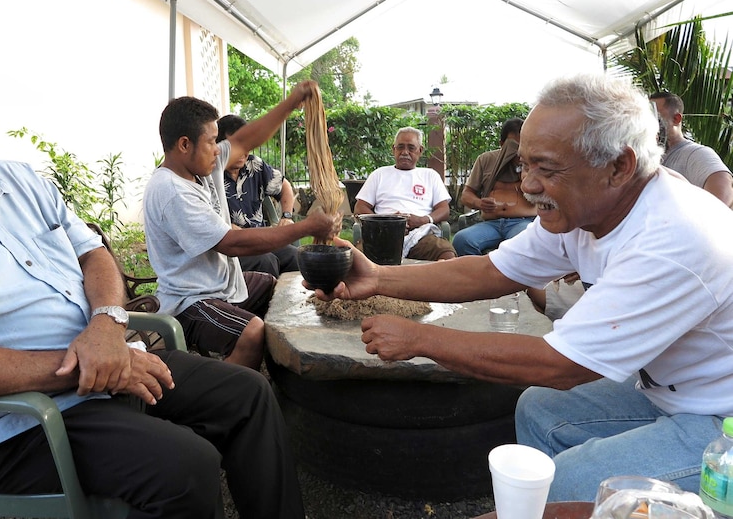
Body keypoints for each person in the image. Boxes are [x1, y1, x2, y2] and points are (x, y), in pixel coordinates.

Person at [0, 41, 306, 518]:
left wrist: (106, 324)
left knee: (248, 394)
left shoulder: (20, 180)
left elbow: (93, 252)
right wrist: (90, 365)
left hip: (108, 365)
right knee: (185, 465)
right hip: (15, 424)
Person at [311, 73, 733, 502]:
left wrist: (422, 339)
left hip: (723, 420)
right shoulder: (586, 208)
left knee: (568, 481)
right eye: (524, 165)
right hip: (666, 392)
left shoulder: (670, 238)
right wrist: (378, 278)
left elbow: (561, 365)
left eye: (546, 168)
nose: (528, 186)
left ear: (619, 166)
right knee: (540, 407)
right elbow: (491, 271)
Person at [143, 87, 340, 370]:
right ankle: (228, 392)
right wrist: (306, 226)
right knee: (252, 332)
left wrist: (293, 101)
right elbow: (232, 243)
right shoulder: (172, 191)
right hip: (190, 301)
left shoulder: (203, 165)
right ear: (184, 144)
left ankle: (266, 371)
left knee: (275, 289)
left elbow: (246, 138)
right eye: (212, 141)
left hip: (223, 285)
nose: (218, 148)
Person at [353, 126, 456, 261]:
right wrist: (386, 222)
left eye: (411, 148)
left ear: (420, 150)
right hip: (382, 234)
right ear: (393, 149)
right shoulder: (380, 174)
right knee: (355, 259)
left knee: (447, 254)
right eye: (400, 147)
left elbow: (444, 209)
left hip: (420, 234)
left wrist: (421, 220)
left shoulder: (430, 175)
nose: (405, 152)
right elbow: (360, 208)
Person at [217, 114, 299, 278]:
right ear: (221, 147)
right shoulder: (212, 173)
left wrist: (287, 216)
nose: (244, 151)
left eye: (247, 143)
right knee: (266, 261)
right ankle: (267, 304)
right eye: (237, 145)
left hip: (260, 240)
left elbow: (285, 186)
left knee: (296, 257)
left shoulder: (255, 165)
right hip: (231, 247)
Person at [452, 118, 537, 256]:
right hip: (492, 223)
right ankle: (478, 276)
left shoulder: (534, 162)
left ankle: (511, 277)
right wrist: (478, 203)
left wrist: (524, 168)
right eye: (513, 146)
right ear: (502, 144)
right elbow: (466, 195)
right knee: (462, 240)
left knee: (519, 241)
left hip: (523, 222)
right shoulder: (486, 160)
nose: (517, 150)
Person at [649, 91, 733, 207]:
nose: (649, 123)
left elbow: (724, 188)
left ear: (676, 119)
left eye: (656, 117)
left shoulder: (695, 153)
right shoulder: (649, 158)